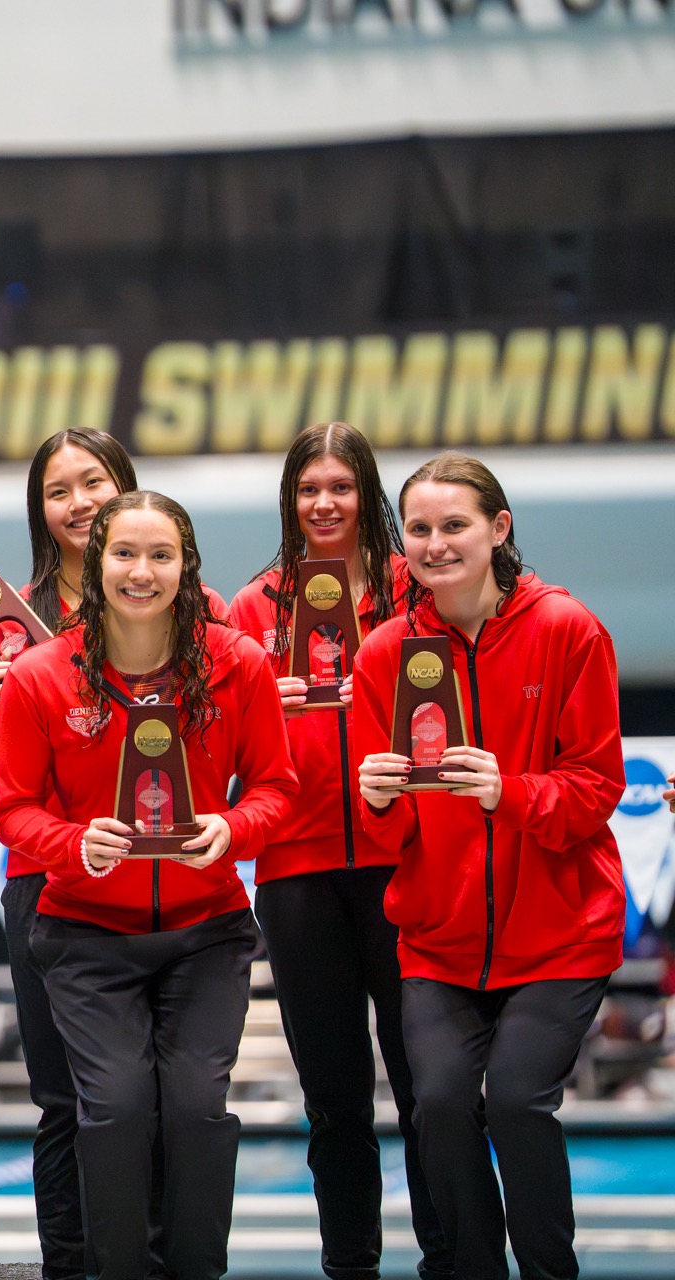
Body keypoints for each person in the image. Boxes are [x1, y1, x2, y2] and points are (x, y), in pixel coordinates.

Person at [0, 491, 297, 1280]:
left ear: (187, 566)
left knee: (194, 1108)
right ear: (96, 563)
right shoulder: (41, 674)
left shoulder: (238, 663)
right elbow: (12, 808)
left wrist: (234, 828)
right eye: (124, 553)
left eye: (162, 555)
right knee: (118, 1110)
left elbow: (276, 787)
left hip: (206, 931)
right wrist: (71, 843)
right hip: (86, 934)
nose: (141, 572)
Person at [354, 452, 623, 1280]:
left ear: (498, 529)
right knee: (436, 1104)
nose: (436, 545)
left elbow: (596, 788)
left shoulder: (567, 629)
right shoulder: (385, 654)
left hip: (562, 934)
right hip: (439, 941)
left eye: (455, 525)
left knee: (514, 1099)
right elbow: (386, 831)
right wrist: (377, 799)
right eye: (420, 530)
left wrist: (511, 792)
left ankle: (549, 1271)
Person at [0, 428, 220, 1280]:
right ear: (39, 509)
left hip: (167, 888)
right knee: (65, 1101)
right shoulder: (12, 620)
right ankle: (72, 1267)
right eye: (57, 491)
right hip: (48, 886)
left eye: (94, 482)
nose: (78, 503)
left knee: (163, 1100)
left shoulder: (193, 606)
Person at [225, 422, 446, 1280]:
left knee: (430, 1088)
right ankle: (349, 1264)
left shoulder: (415, 591)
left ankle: (450, 1257)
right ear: (289, 499)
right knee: (333, 1098)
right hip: (296, 870)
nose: (324, 504)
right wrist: (259, 710)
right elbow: (216, 749)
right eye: (308, 488)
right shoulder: (254, 608)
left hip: (407, 861)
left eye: (341, 487)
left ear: (368, 494)